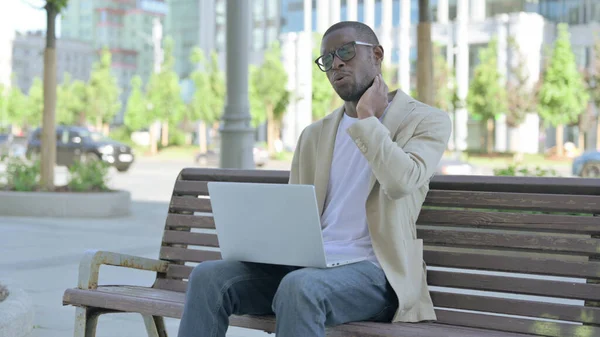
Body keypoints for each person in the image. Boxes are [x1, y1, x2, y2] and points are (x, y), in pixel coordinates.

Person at [177, 21, 451, 337]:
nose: (336, 63)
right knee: (209, 277)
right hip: (311, 268)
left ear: (376, 55)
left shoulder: (426, 121)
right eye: (327, 58)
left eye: (346, 51)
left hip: (379, 275)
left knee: (301, 287)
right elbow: (296, 214)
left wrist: (368, 120)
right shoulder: (314, 135)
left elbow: (402, 181)